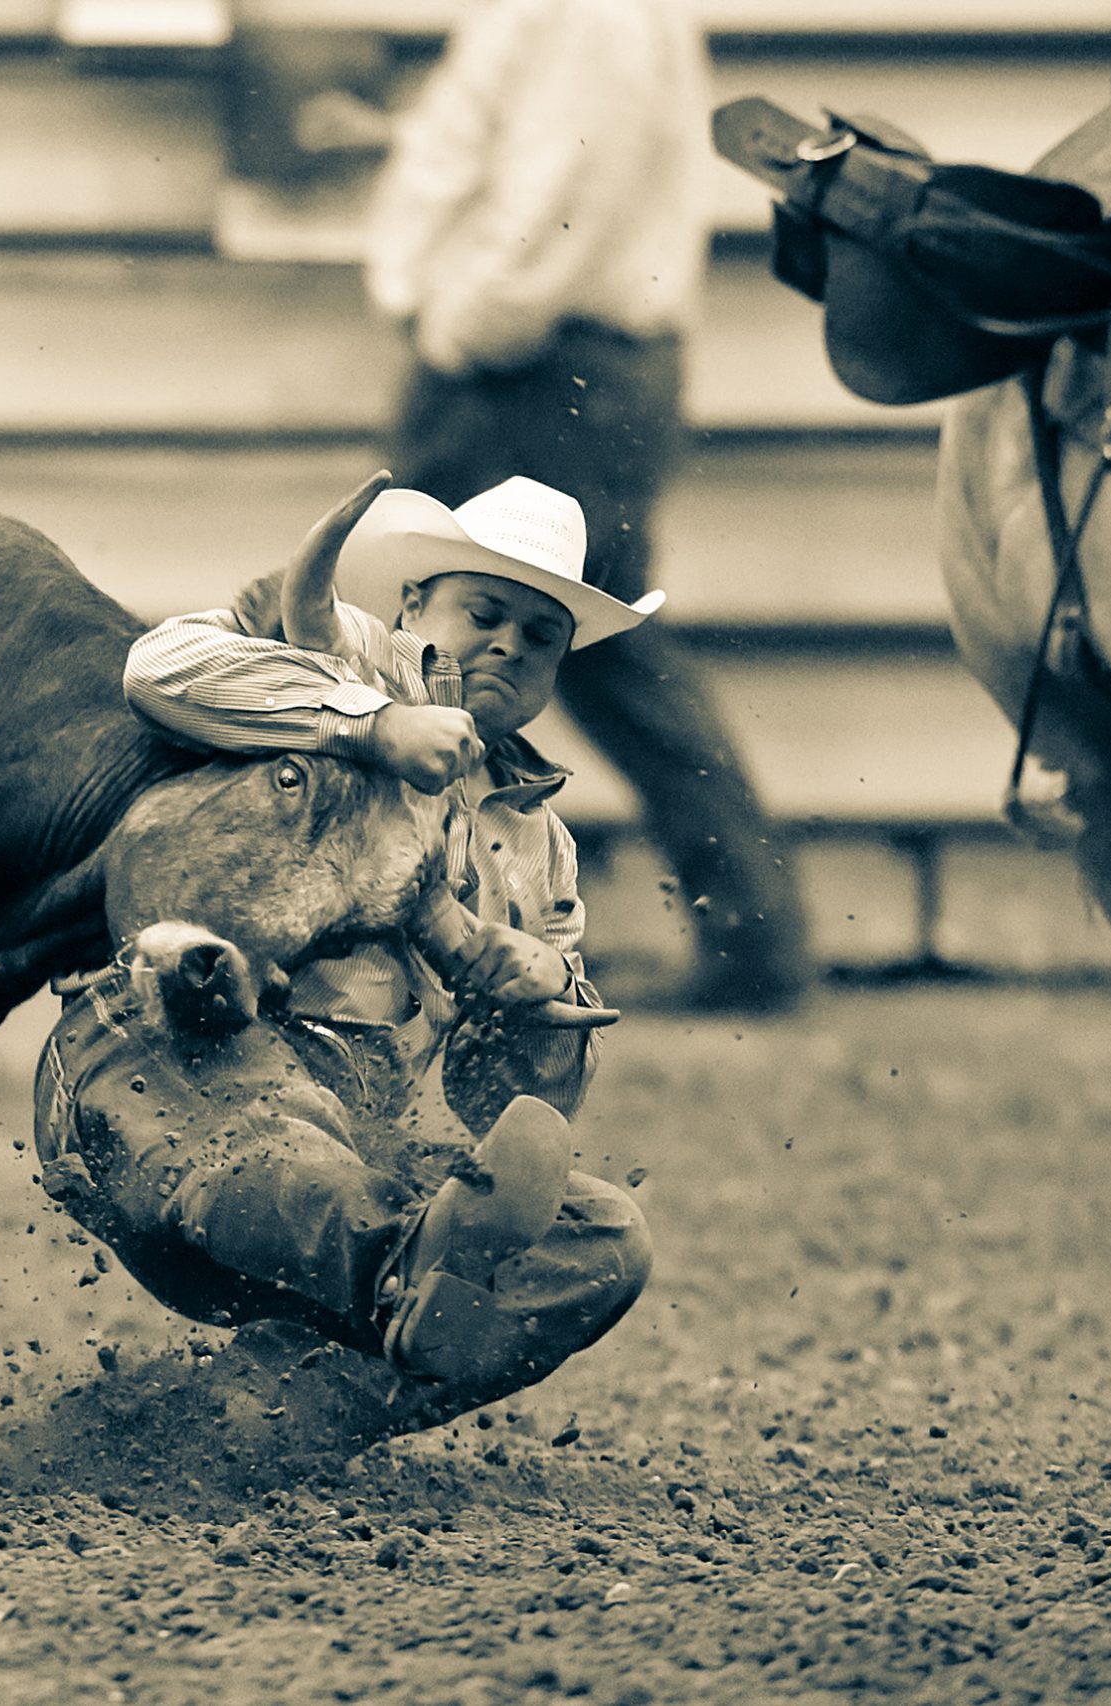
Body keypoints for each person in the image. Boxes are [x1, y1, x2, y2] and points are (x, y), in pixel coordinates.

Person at [42, 472, 651, 1425]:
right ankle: (404, 1281)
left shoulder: (544, 849)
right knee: (298, 1139)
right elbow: (159, 669)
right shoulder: (342, 663)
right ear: (414, 604)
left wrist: (540, 988)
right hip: (165, 1059)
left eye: (542, 638)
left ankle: (259, 1419)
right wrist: (370, 723)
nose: (508, 645)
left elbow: (507, 1109)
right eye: (486, 613)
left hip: (341, 1153)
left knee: (603, 1236)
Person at [361, 0, 809, 1013]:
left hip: (543, 363)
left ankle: (750, 936)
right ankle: (745, 931)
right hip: (543, 358)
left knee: (533, 643)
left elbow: (559, 195)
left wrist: (459, 328)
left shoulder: (592, 13)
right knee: (524, 651)